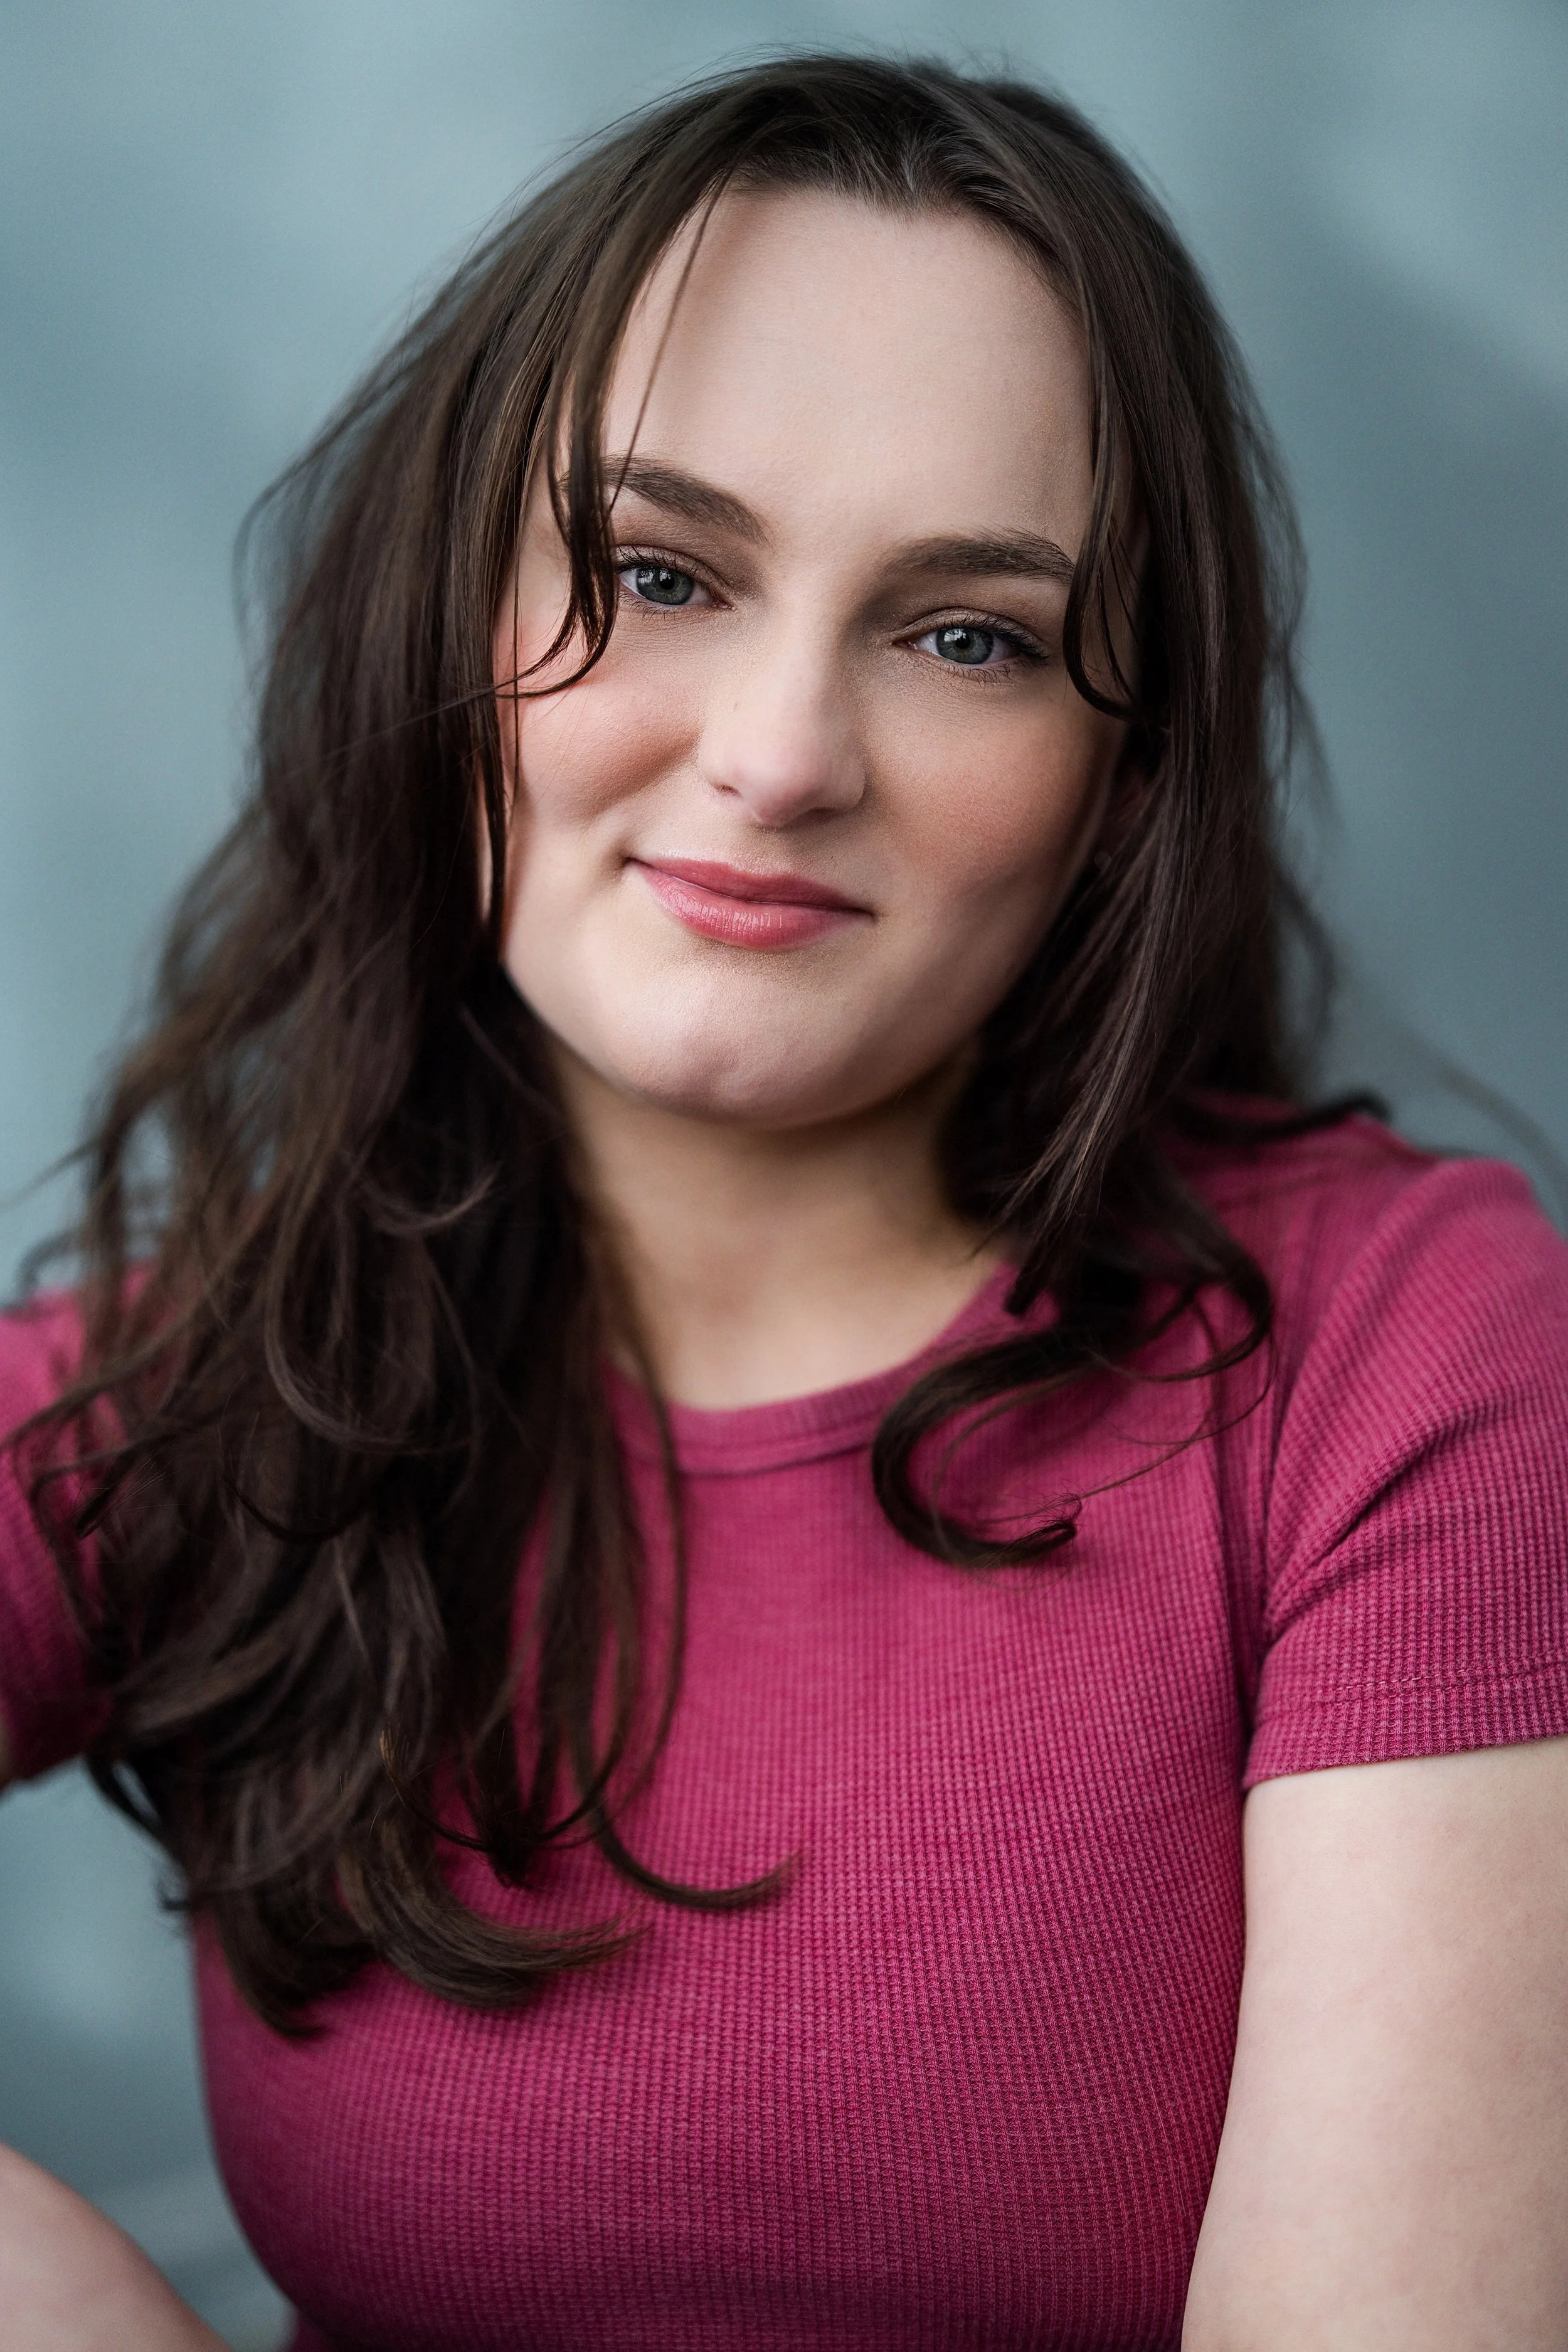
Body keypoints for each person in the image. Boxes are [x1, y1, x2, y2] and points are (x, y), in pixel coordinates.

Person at [2, 51, 1566, 2352]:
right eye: (655, 572)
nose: (776, 755)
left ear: (1116, 785)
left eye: (967, 635)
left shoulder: (1404, 1353)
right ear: (444, 631)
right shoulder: (221, 1378)